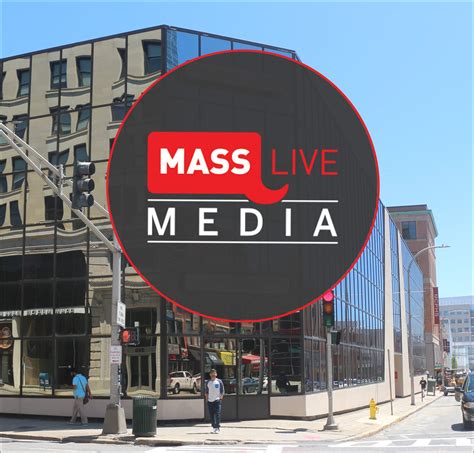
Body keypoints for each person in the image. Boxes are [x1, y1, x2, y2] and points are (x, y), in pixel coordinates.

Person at [205, 369, 224, 434]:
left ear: (216, 374)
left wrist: (220, 398)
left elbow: (222, 391)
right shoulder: (208, 382)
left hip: (217, 400)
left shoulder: (219, 381)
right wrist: (207, 399)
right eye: (212, 373)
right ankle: (214, 427)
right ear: (210, 374)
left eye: (214, 373)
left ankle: (217, 427)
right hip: (210, 401)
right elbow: (206, 392)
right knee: (212, 415)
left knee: (217, 414)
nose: (213, 374)